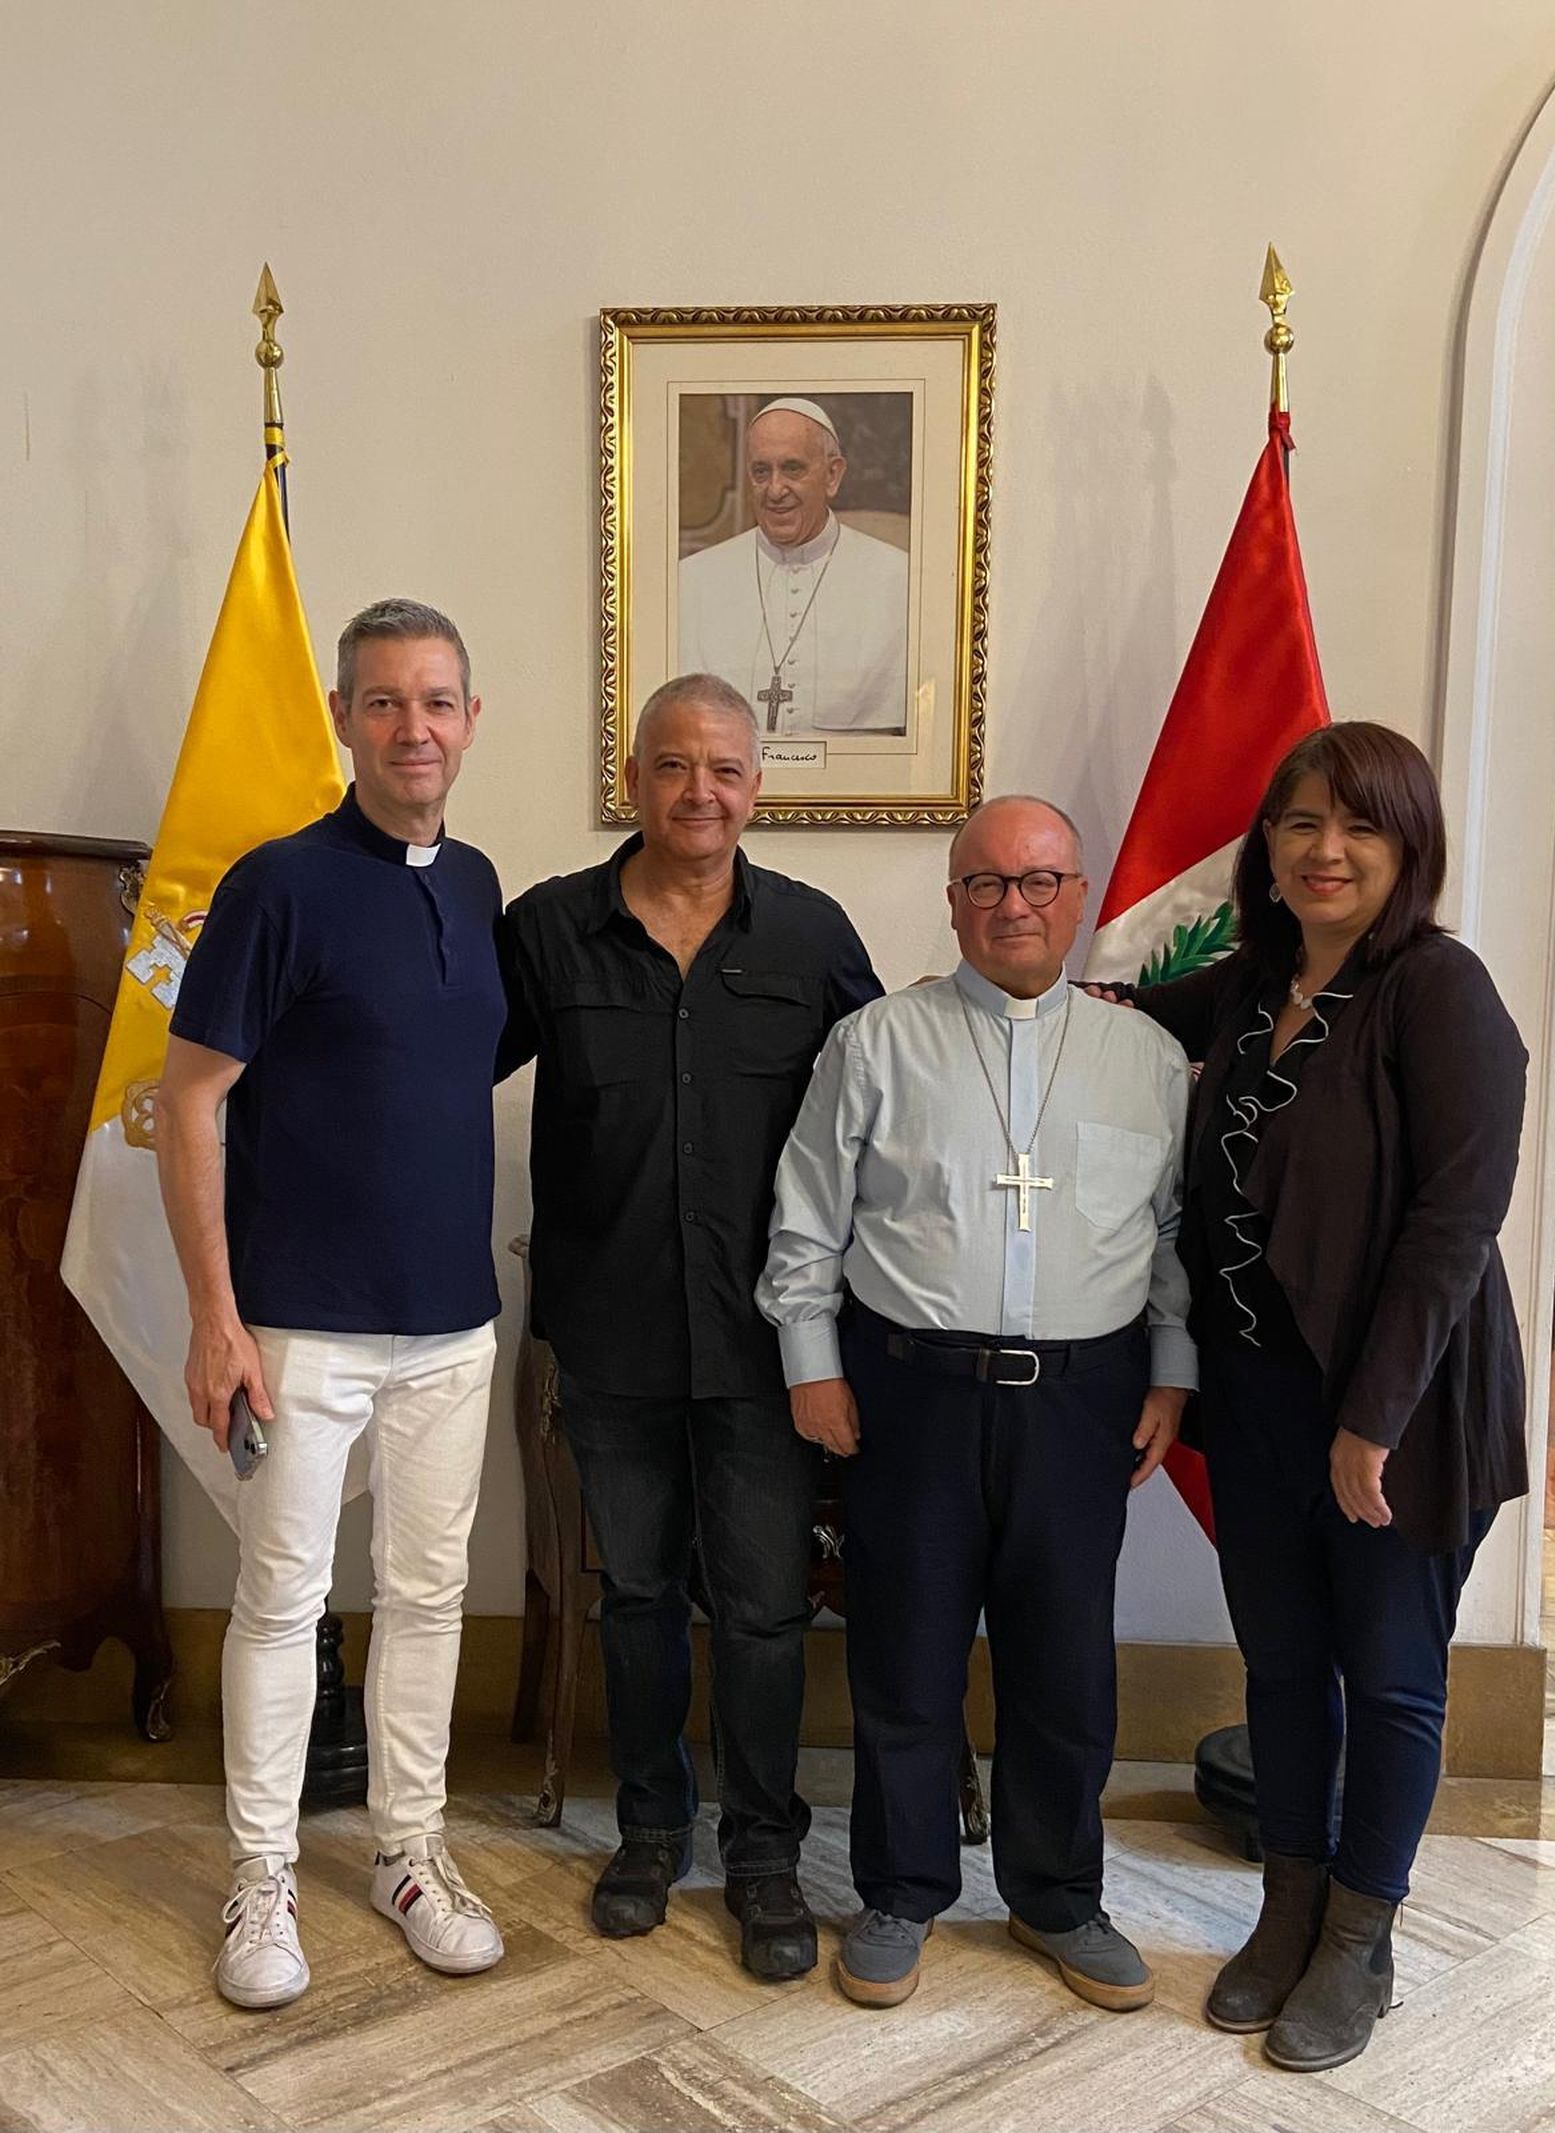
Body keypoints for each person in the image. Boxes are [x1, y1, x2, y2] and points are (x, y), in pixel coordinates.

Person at [1118, 720, 1527, 2074]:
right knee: (1284, 1665)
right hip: (1256, 1399)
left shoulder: (1439, 990)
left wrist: (1374, 1419)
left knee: (1393, 1678)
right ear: (1268, 846)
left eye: (1358, 824)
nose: (1326, 849)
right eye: (1300, 821)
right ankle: (1286, 1903)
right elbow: (1096, 1021)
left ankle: (1361, 1936)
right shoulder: (1249, 985)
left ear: (1410, 846)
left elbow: (1454, 1224)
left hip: (1400, 1408)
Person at [758, 794, 1196, 2010]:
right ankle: (900, 1891)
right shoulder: (875, 1043)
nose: (1015, 905)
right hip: (912, 1393)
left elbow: (1169, 1234)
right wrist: (810, 1364)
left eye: (1040, 881)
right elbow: (806, 1217)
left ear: (1079, 897)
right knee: (905, 1655)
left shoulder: (1145, 1059)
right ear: (952, 901)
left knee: (1065, 1664)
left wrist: (1172, 1371)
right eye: (987, 883)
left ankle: (1059, 1898)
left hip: (1082, 1400)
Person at [496, 672, 880, 1981]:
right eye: (672, 765)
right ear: (634, 780)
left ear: (755, 788)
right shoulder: (550, 928)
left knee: (765, 1609)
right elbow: (437, 1063)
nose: (698, 792)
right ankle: (652, 1829)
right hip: (608, 1336)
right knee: (639, 1597)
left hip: (769, 1346)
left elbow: (886, 1110)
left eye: (723, 769)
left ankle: (764, 1850)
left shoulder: (812, 936)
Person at [155, 599, 507, 2010]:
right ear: (345, 719)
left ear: (471, 721)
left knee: (428, 1595)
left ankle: (410, 1852)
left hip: (454, 1324)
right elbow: (190, 1102)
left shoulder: (474, 883)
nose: (414, 727)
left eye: (437, 701)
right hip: (297, 1323)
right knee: (283, 1599)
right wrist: (214, 1316)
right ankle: (262, 1875)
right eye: (384, 702)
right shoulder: (277, 884)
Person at [677, 398, 910, 735]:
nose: (775, 490)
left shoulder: (899, 580)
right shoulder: (692, 581)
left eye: (793, 469)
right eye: (761, 471)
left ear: (832, 475)